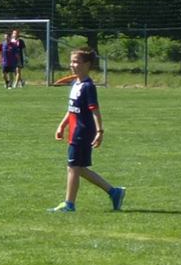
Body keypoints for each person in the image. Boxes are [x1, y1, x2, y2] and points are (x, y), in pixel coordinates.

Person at [49, 46, 125, 214]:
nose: (72, 65)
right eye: (71, 61)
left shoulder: (88, 86)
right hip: (75, 130)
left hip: (83, 131)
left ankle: (69, 204)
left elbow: (95, 110)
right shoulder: (76, 83)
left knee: (73, 167)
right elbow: (72, 109)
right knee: (79, 168)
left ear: (87, 64)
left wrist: (100, 132)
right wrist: (62, 125)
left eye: (76, 61)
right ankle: (114, 192)